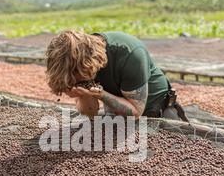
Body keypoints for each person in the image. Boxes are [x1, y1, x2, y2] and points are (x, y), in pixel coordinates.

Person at [45, 30, 187, 120]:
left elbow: (136, 112)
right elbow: (90, 113)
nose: (76, 81)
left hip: (156, 108)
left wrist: (101, 95)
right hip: (117, 110)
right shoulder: (77, 67)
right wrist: (84, 94)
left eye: (77, 77)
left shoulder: (128, 53)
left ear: (86, 63)